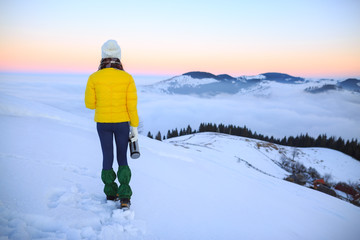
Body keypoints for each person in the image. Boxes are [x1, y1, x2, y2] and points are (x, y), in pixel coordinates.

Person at [85, 39, 139, 209]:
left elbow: (90, 104)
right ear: (119, 57)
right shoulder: (127, 78)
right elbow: (132, 105)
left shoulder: (94, 77)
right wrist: (134, 127)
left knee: (107, 158)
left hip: (103, 123)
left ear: (102, 56)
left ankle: (110, 192)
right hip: (122, 124)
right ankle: (124, 197)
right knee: (122, 158)